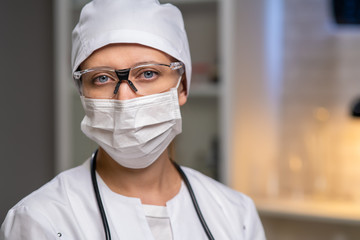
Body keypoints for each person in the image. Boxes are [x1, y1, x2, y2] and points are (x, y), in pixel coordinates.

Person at [0, 0, 266, 239]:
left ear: (182, 87)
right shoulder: (39, 222)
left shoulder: (236, 216)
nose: (125, 99)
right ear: (83, 94)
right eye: (102, 78)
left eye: (148, 73)